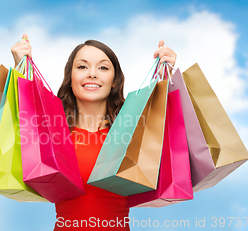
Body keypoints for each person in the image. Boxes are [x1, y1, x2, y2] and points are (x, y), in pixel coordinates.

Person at [10, 34, 177, 230]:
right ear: (70, 78)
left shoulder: (132, 133)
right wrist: (20, 67)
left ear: (114, 81)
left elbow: (171, 150)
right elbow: (18, 129)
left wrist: (167, 81)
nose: (92, 74)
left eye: (103, 67)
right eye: (82, 66)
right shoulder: (54, 133)